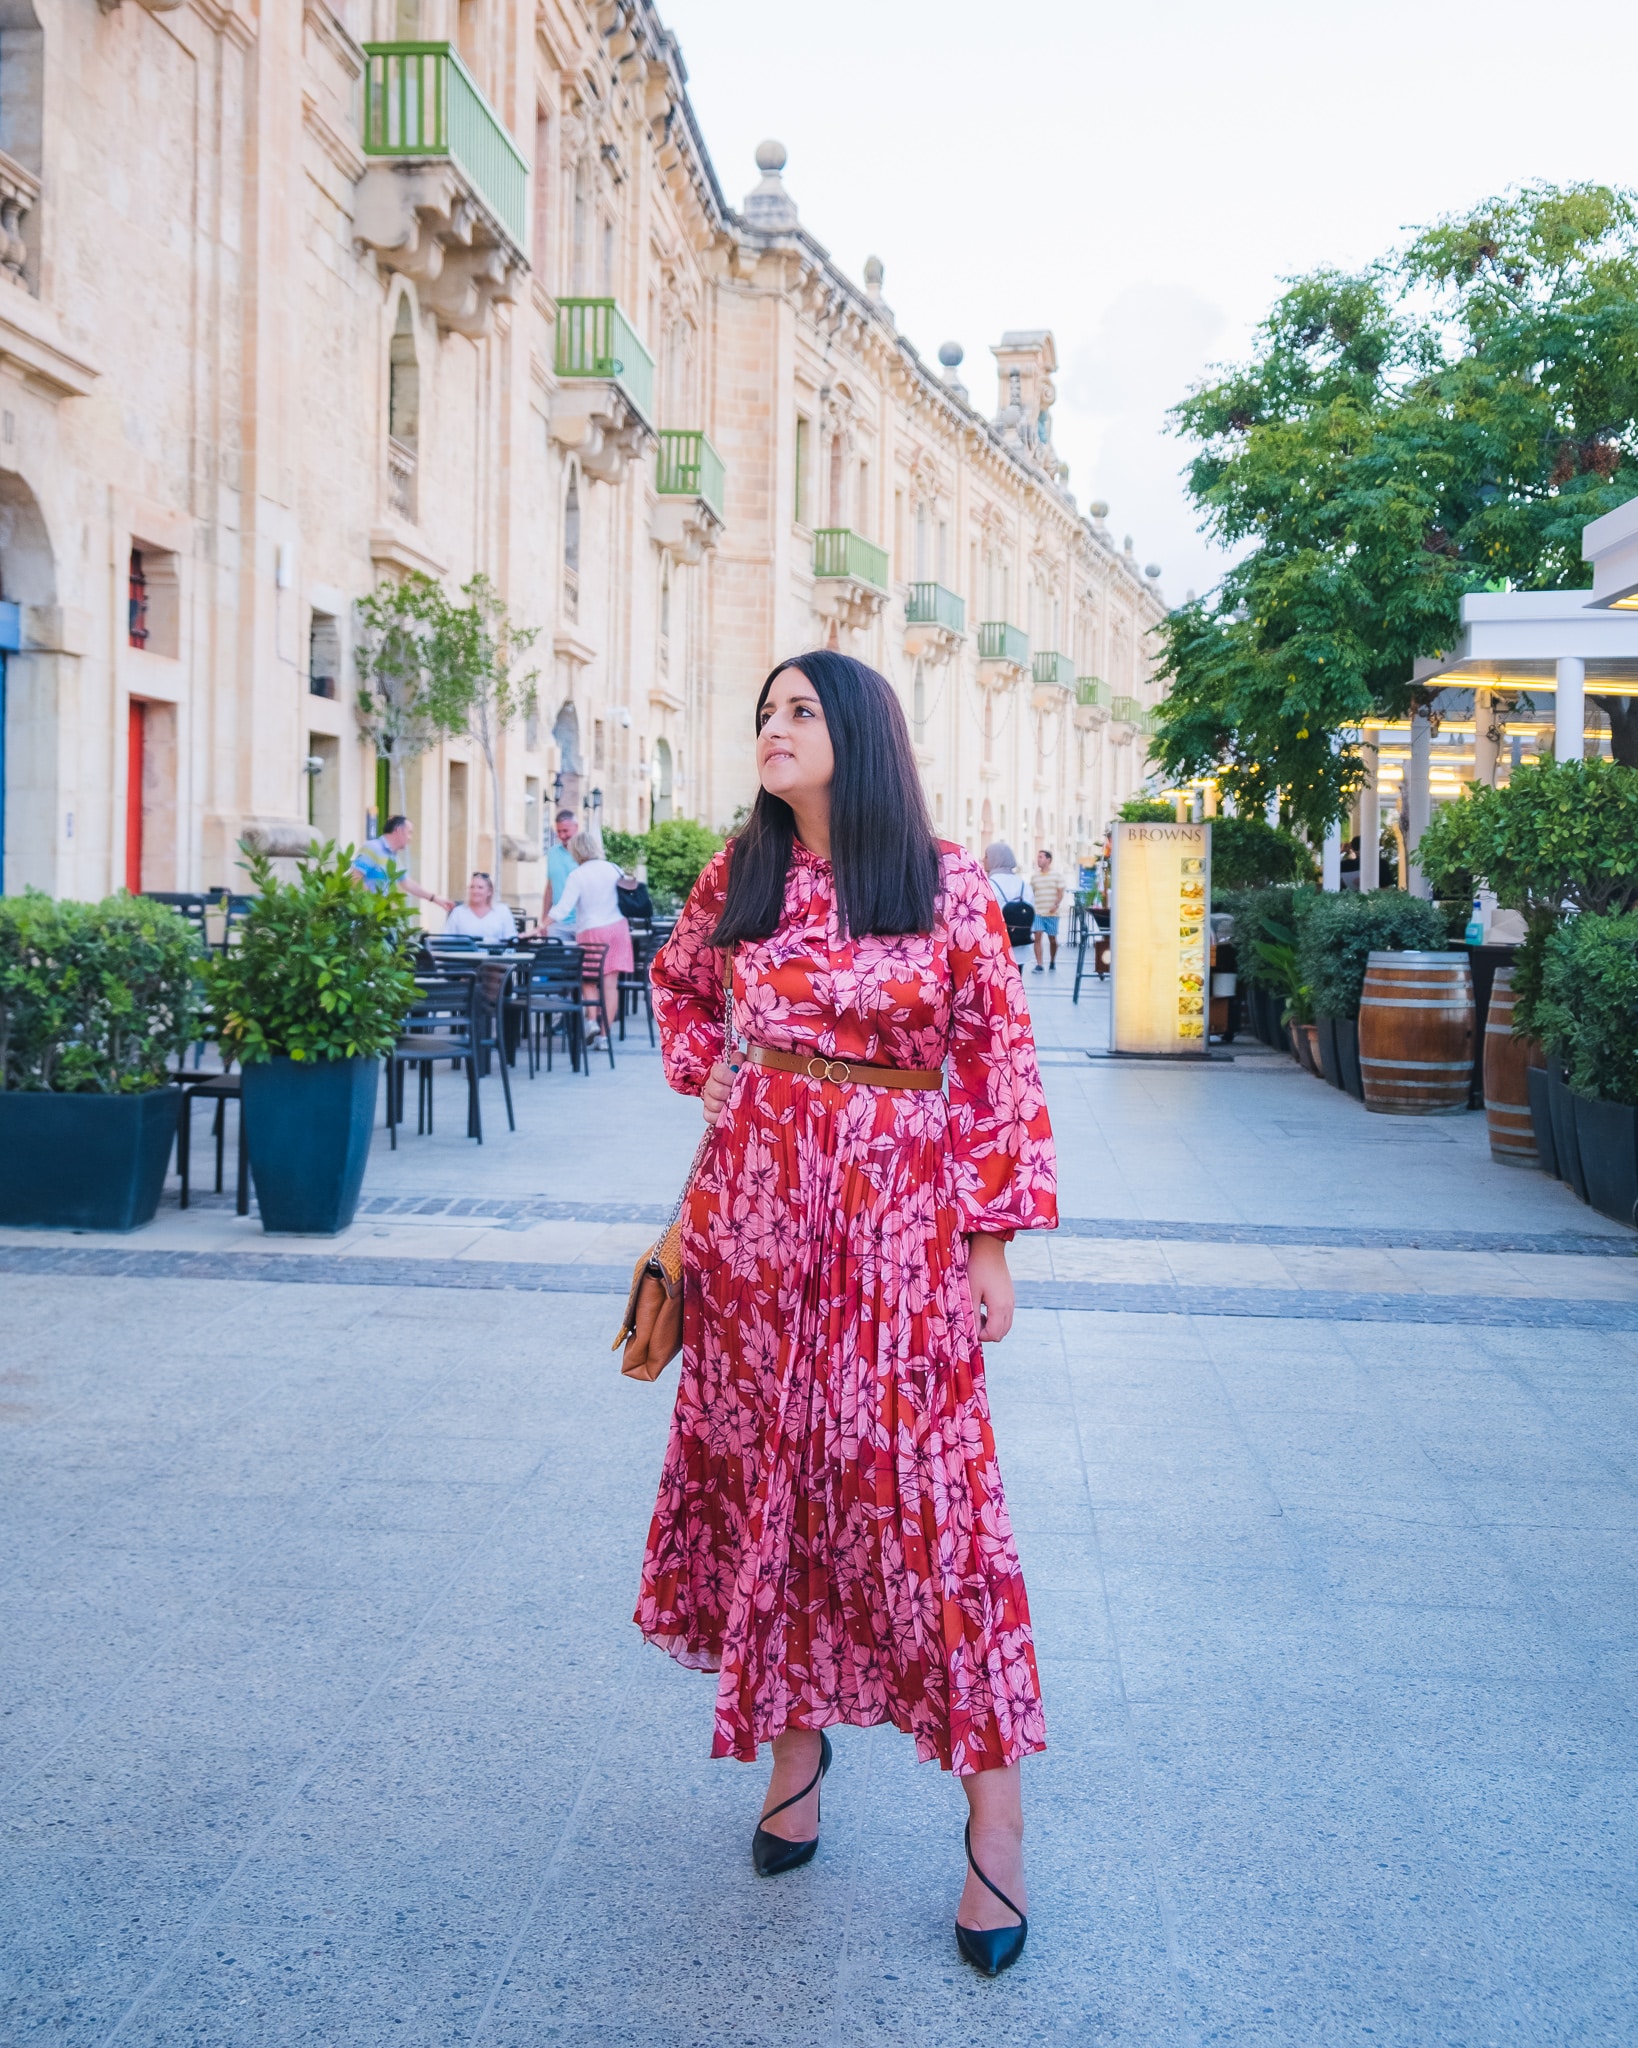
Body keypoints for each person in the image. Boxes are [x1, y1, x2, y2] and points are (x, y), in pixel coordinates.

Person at [642, 651, 1057, 1977]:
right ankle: (793, 1761)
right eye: (761, 709)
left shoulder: (936, 879)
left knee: (930, 1509)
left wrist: (989, 1241)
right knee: (781, 1480)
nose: (771, 726)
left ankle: (996, 1826)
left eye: (798, 710)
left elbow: (995, 1057)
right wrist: (717, 1077)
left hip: (897, 1232)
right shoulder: (740, 871)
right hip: (755, 1233)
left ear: (856, 733)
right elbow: (679, 984)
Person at [544, 829, 631, 1045]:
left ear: (576, 851)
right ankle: (604, 1036)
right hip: (618, 929)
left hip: (591, 931)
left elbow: (562, 909)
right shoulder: (614, 869)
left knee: (588, 980)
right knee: (610, 986)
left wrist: (540, 926)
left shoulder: (578, 875)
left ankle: (591, 1021)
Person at [351, 815, 453, 913]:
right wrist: (372, 903)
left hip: (377, 916)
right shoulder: (372, 848)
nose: (410, 838)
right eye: (409, 833)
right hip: (364, 916)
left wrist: (434, 898)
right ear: (399, 830)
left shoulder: (392, 856)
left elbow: (407, 883)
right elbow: (354, 877)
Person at [983, 840, 1034, 952]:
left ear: (996, 859)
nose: (983, 860)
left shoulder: (988, 885)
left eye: (986, 856)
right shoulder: (1023, 884)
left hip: (997, 948)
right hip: (1021, 945)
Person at [443, 871, 517, 942]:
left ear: (489, 892)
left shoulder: (502, 911)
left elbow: (511, 938)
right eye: (472, 887)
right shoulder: (458, 912)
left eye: (480, 887)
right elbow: (446, 940)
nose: (475, 891)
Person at [539, 808, 579, 931]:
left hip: (581, 922)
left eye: (566, 831)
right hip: (557, 922)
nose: (562, 835)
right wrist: (544, 920)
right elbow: (550, 887)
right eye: (559, 831)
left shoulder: (585, 854)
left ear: (576, 827)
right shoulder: (552, 853)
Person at [1029, 847, 1066, 972]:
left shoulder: (1057, 876)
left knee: (1052, 940)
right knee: (1037, 937)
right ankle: (1039, 964)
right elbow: (1031, 893)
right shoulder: (1034, 877)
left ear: (1048, 859)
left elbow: (1061, 892)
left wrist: (1056, 905)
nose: (1038, 860)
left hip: (1052, 913)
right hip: (1038, 912)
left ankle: (1052, 961)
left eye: (1041, 857)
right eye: (1037, 857)